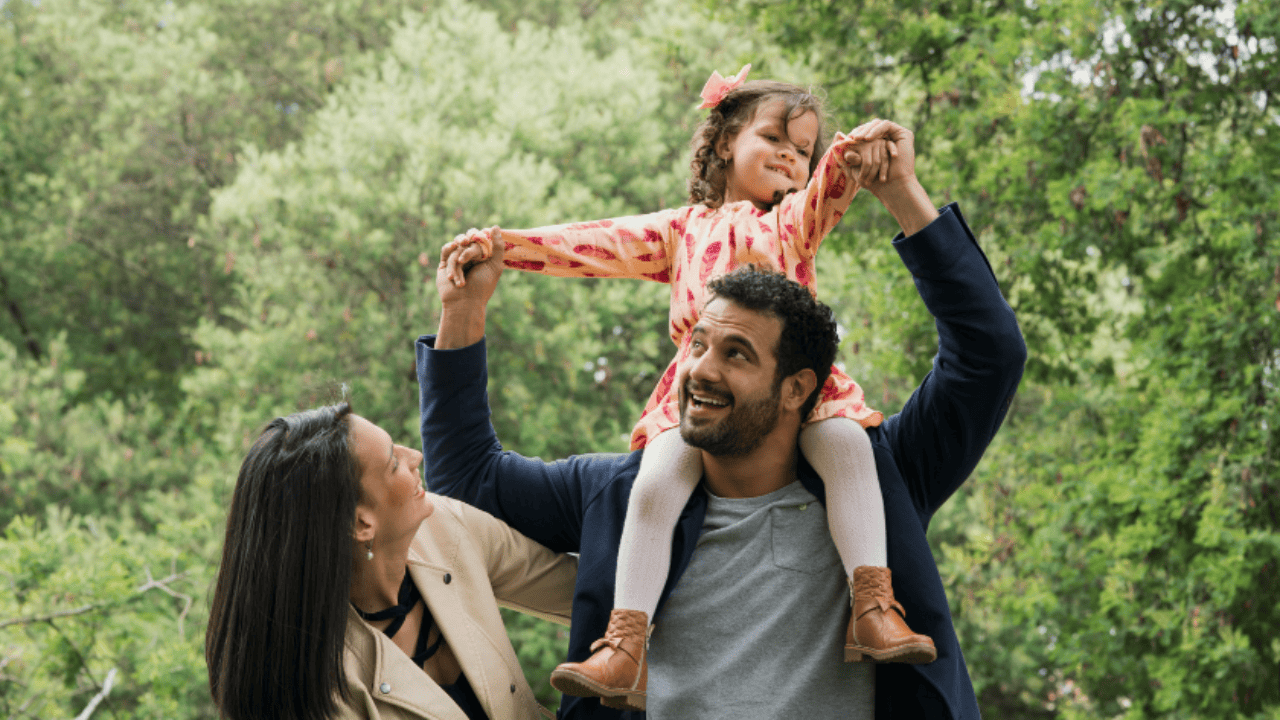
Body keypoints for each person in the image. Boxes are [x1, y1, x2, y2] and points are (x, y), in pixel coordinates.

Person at [421, 120, 1026, 718]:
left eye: (736, 354)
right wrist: (466, 310)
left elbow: (989, 354)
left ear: (797, 389)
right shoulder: (622, 497)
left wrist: (898, 190)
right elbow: (468, 485)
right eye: (697, 346)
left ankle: (874, 609)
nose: (700, 371)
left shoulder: (882, 478)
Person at [205, 403, 577, 720]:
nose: (415, 456)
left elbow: (578, 589)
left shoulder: (443, 527)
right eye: (392, 463)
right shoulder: (318, 691)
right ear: (361, 523)